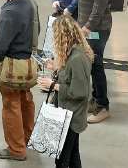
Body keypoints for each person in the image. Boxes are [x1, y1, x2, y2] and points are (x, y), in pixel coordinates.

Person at [0, 0, 40, 161]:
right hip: (28, 64)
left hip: (11, 66)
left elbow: (1, 45)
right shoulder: (28, 2)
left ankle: (16, 149)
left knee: (11, 106)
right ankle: (26, 139)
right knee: (26, 101)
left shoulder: (9, 12)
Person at [38, 14, 93, 168]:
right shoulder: (72, 53)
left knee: (62, 160)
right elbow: (69, 75)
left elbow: (80, 91)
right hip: (68, 114)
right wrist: (57, 66)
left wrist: (53, 85)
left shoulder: (77, 58)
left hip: (71, 117)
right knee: (73, 156)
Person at [75, 0, 114, 123]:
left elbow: (100, 1)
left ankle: (102, 105)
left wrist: (88, 26)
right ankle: (95, 99)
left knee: (96, 65)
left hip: (97, 28)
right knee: (91, 65)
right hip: (88, 27)